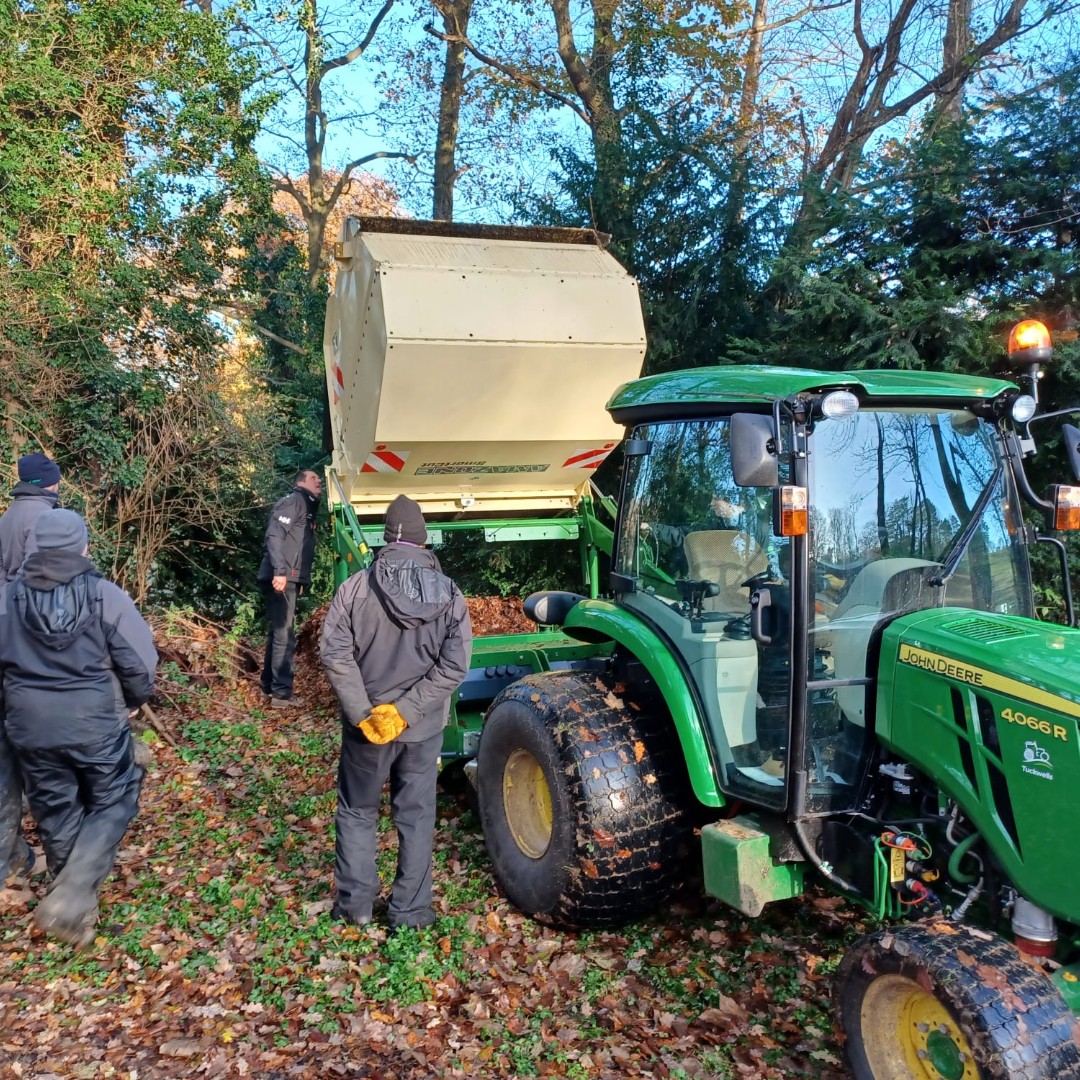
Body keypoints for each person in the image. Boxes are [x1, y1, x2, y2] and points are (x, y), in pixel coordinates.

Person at [0, 509, 157, 947]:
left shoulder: (6, 599)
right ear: (83, 547)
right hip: (95, 722)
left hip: (30, 726)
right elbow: (140, 662)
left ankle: (75, 908)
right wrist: (133, 699)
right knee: (116, 798)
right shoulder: (105, 596)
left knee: (56, 809)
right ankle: (69, 898)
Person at [319, 495, 472, 930]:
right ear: (424, 541)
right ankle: (411, 912)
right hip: (422, 729)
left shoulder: (354, 589)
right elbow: (454, 667)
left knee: (357, 811)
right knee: (416, 815)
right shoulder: (450, 594)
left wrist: (365, 713)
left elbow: (335, 654)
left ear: (386, 538)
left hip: (366, 729)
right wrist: (406, 712)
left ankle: (356, 908)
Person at [0, 451, 61, 884]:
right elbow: (41, 585)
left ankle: (14, 857)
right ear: (49, 482)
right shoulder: (45, 520)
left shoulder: (7, 517)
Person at [258, 468, 323, 707]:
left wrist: (300, 580)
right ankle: (281, 694)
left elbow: (297, 545)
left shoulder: (307, 506)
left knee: (278, 632)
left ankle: (269, 687)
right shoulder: (294, 501)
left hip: (289, 577)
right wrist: (280, 572)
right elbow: (274, 535)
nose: (319, 481)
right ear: (301, 482)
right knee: (284, 635)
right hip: (281, 576)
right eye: (313, 478)